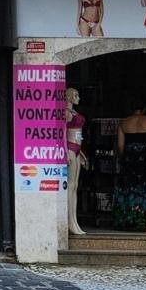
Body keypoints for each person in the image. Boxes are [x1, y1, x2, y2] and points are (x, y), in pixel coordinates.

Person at [113, 104, 146, 233]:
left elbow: (120, 146)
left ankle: (130, 221)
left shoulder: (123, 123)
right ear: (144, 109)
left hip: (130, 160)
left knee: (130, 189)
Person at [65, 88, 88, 235]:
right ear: (68, 97)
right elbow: (61, 131)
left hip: (77, 148)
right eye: (75, 95)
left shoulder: (72, 113)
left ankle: (74, 220)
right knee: (71, 185)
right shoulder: (66, 113)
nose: (78, 98)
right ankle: (69, 221)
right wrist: (65, 149)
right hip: (71, 148)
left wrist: (82, 153)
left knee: (75, 186)